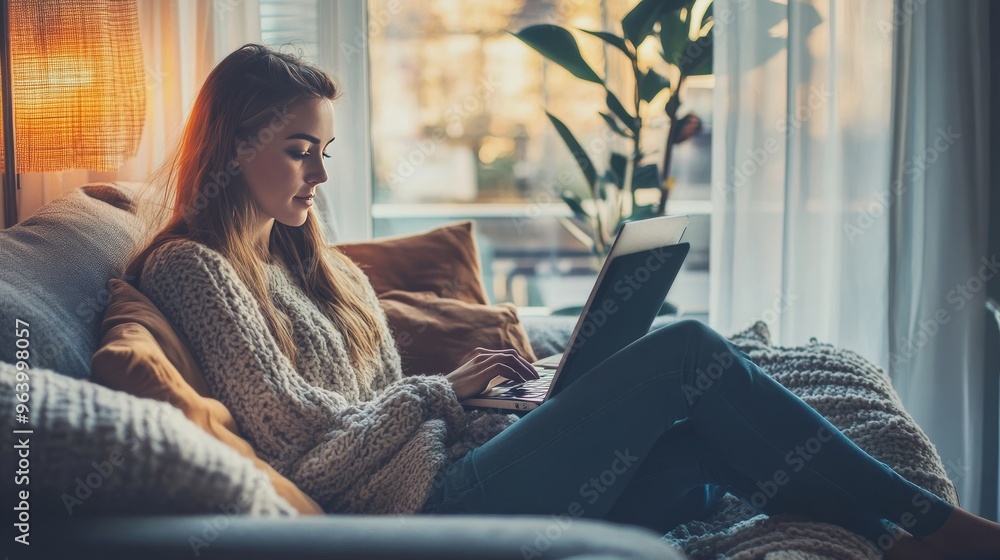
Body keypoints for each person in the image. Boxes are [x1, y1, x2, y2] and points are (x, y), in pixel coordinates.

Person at [126, 44, 999, 560]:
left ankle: (892, 533)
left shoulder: (319, 265)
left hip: (461, 462)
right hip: (433, 509)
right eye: (298, 149)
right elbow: (307, 457)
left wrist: (517, 396)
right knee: (687, 351)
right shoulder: (194, 273)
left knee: (702, 441)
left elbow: (378, 414)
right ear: (233, 148)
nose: (321, 172)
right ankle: (939, 528)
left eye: (326, 149)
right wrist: (445, 392)